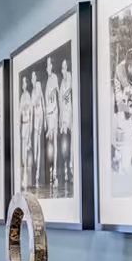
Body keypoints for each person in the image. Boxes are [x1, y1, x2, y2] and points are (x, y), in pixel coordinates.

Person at [42, 57, 60, 193]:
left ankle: (55, 174)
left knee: (54, 142)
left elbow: (58, 97)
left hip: (53, 113)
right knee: (50, 145)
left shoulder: (54, 78)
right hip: (48, 115)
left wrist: (57, 118)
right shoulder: (47, 81)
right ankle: (51, 171)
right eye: (47, 65)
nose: (48, 67)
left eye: (49, 64)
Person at [57, 57, 73, 195]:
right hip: (64, 118)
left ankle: (71, 169)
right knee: (64, 145)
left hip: (72, 116)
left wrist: (68, 119)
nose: (63, 70)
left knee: (72, 144)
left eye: (65, 67)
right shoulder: (62, 83)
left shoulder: (70, 78)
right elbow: (61, 105)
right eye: (62, 68)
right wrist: (61, 121)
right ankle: (67, 170)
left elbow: (70, 101)